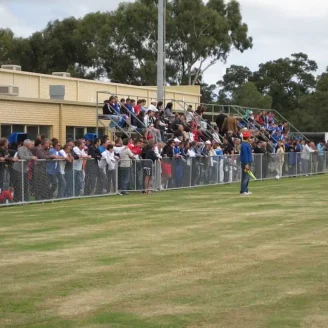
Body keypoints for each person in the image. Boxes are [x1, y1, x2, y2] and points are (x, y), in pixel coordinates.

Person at [240, 131, 253, 195]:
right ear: (247, 137)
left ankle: (246, 190)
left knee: (247, 176)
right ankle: (243, 191)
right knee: (245, 176)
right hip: (246, 162)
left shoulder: (246, 144)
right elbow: (245, 155)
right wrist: (246, 164)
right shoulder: (244, 145)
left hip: (248, 162)